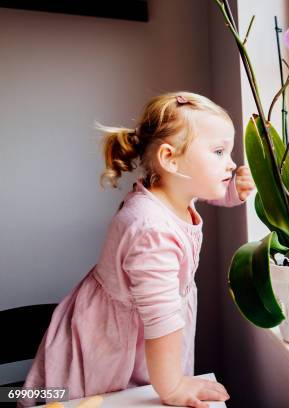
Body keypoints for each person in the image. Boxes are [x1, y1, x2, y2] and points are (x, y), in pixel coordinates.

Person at [18, 92, 255, 408]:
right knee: (95, 400)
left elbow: (201, 192)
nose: (231, 163)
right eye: (218, 152)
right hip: (113, 346)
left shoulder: (172, 191)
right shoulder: (151, 230)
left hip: (144, 336)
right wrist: (172, 387)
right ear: (170, 159)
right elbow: (161, 321)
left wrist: (231, 192)